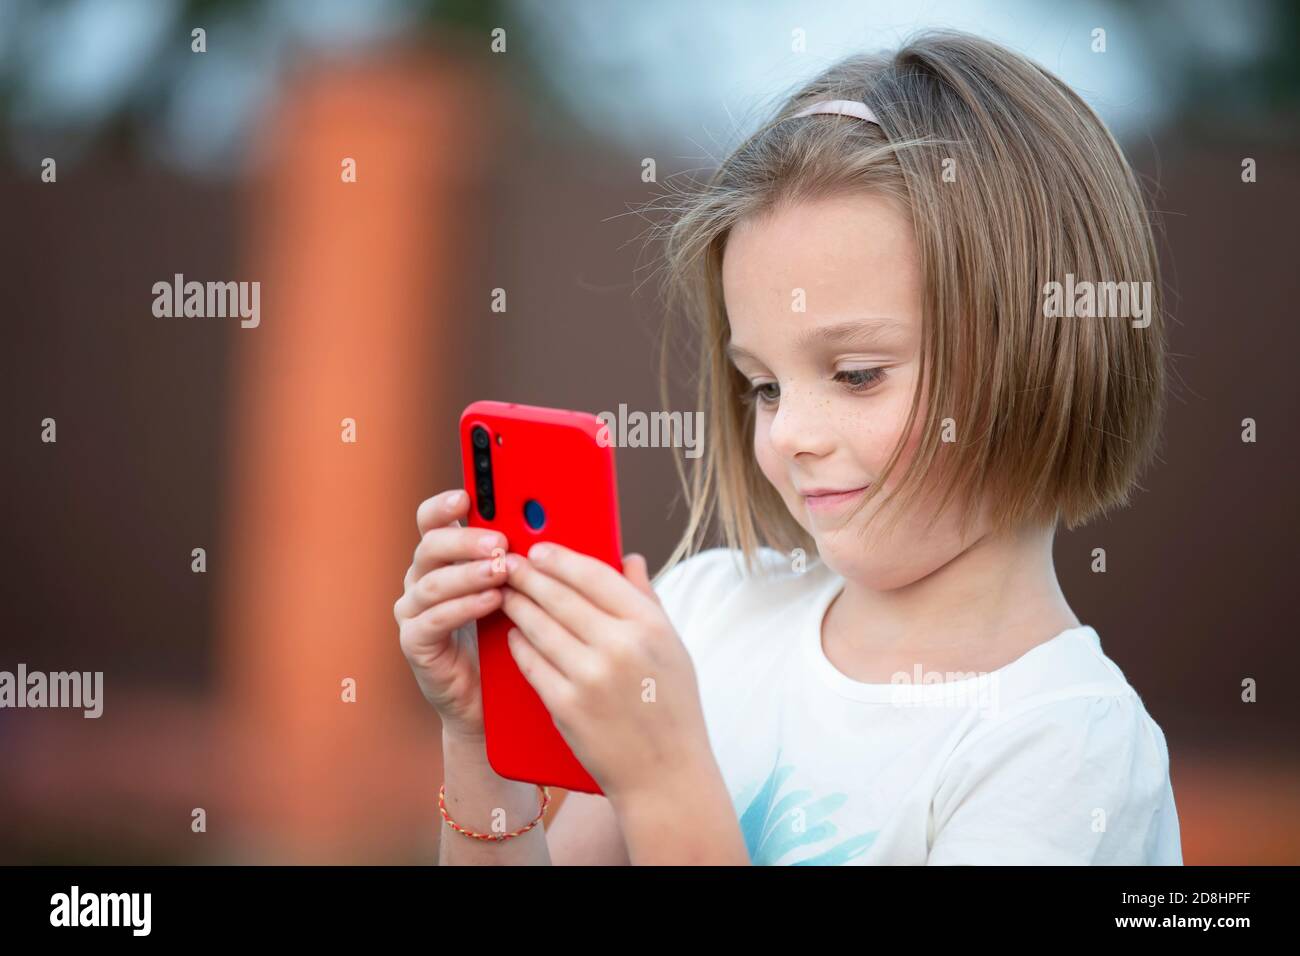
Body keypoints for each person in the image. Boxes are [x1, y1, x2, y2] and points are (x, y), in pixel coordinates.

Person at [394, 28, 1182, 865]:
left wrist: (664, 780)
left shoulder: (1067, 748)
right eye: (765, 386)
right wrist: (484, 744)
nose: (791, 436)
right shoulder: (706, 614)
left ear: (1039, 348)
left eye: (855, 374)